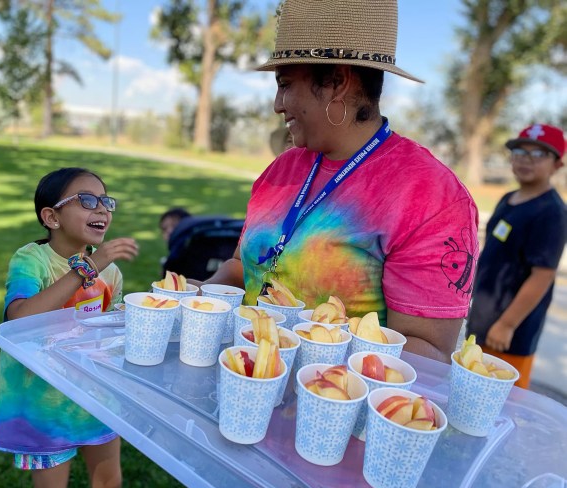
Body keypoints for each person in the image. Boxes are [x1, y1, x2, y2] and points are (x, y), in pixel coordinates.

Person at [195, 0, 479, 363]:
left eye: (284, 85)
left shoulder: (432, 197)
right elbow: (240, 267)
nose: (277, 105)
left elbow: (427, 351)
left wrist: (311, 367)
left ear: (337, 83)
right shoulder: (281, 170)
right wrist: (195, 298)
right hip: (244, 379)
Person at [0, 167, 139, 488]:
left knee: (110, 485)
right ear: (51, 217)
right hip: (45, 402)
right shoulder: (32, 261)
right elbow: (17, 318)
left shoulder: (109, 273)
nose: (102, 208)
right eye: (87, 200)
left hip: (96, 394)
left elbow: (111, 327)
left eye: (105, 201)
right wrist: (87, 268)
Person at [467, 124, 566, 388]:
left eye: (538, 154)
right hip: (483, 320)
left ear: (557, 164)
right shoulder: (509, 198)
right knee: (470, 391)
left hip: (509, 333)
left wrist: (507, 324)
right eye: (520, 151)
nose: (526, 159)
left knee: (503, 404)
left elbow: (542, 276)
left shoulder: (552, 213)